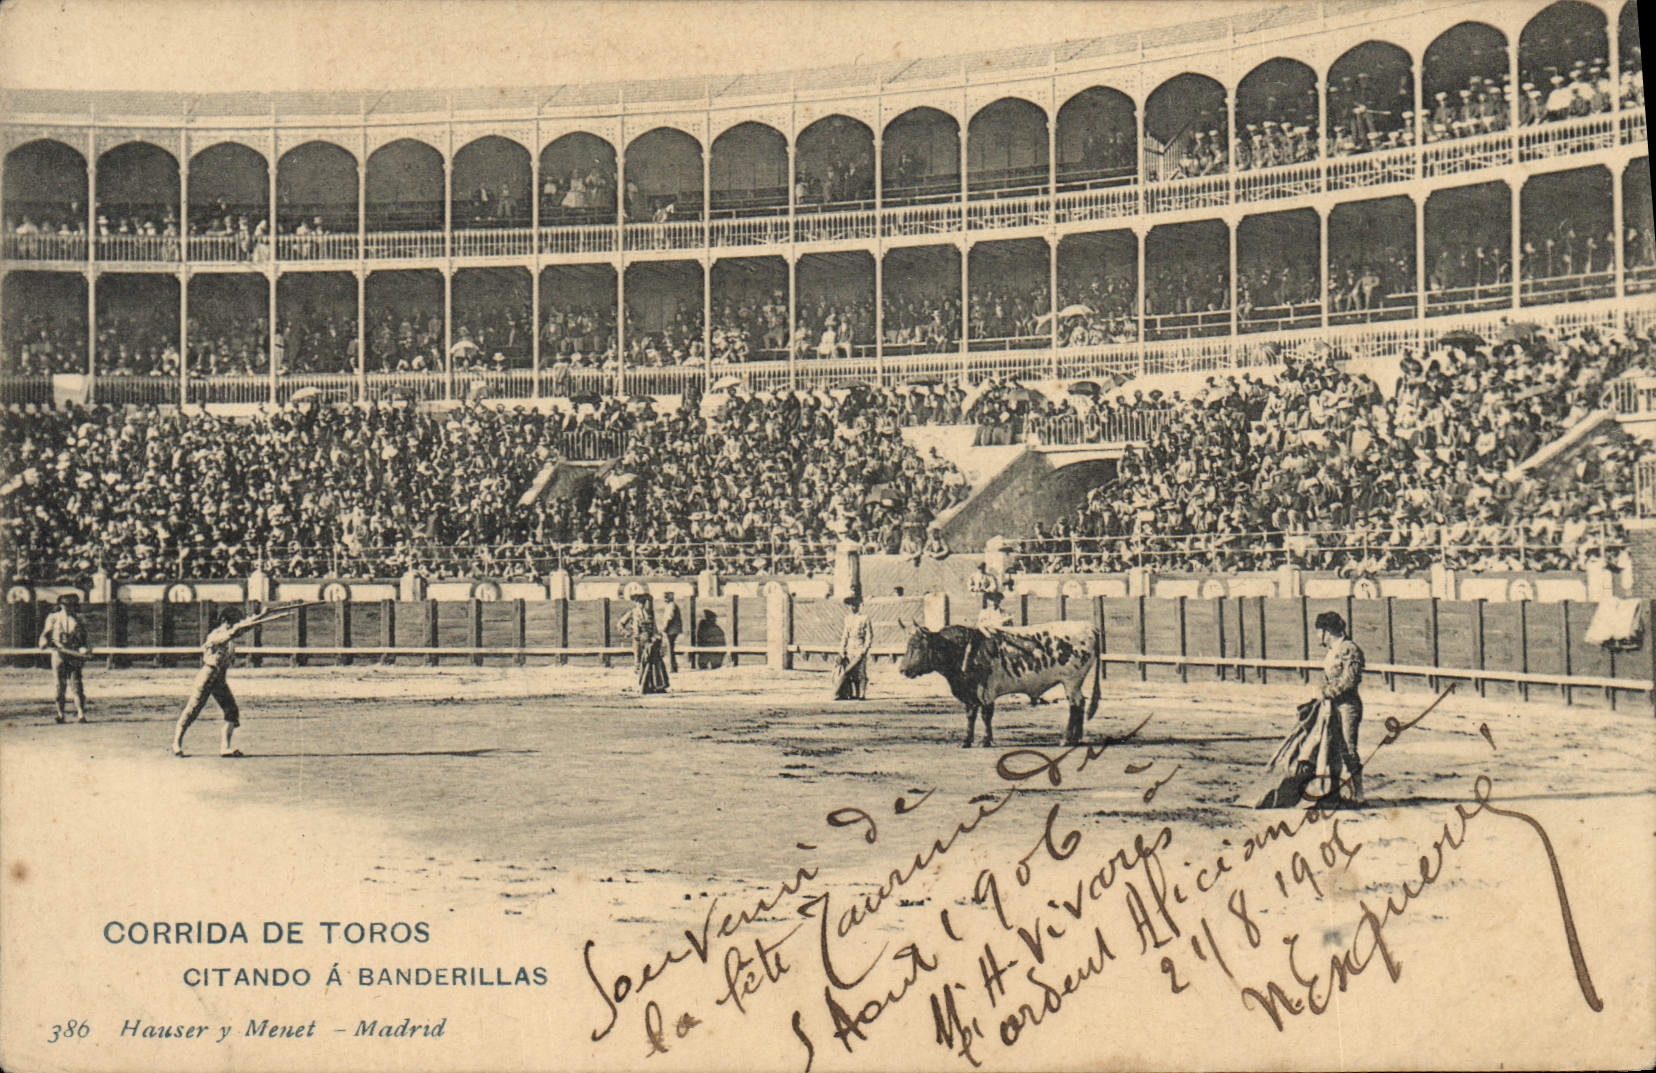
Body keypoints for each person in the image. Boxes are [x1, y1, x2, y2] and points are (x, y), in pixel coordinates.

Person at [172, 604, 274, 757]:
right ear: (225, 621)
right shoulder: (215, 635)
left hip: (219, 679)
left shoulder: (230, 632)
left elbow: (243, 627)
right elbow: (232, 633)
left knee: (231, 711)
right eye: (233, 622)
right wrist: (247, 623)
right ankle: (176, 744)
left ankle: (225, 748)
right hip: (207, 678)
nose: (234, 625)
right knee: (192, 710)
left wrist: (262, 615)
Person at [37, 594, 90, 723]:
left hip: (74, 654)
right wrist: (43, 642)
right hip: (59, 654)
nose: (67, 607)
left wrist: (85, 649)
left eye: (70, 604)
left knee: (76, 685)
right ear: (60, 605)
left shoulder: (79, 619)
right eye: (65, 604)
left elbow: (84, 639)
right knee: (59, 686)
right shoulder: (53, 617)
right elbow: (45, 634)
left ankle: (81, 714)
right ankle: (60, 714)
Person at [618, 584, 669, 695]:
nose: (640, 603)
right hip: (638, 640)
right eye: (638, 601)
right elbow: (620, 625)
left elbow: (654, 627)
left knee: (652, 663)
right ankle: (640, 686)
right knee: (638, 662)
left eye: (642, 601)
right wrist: (628, 634)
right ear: (635, 602)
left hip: (649, 641)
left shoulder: (649, 613)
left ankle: (652, 686)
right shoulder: (632, 613)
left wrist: (657, 636)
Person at [835, 594, 872, 700]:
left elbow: (869, 635)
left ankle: (862, 694)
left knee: (861, 671)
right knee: (851, 672)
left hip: (860, 645)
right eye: (851, 605)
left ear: (859, 606)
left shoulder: (864, 618)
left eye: (855, 605)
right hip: (850, 646)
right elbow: (845, 635)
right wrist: (842, 649)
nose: (853, 607)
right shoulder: (847, 618)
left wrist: (865, 648)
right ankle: (854, 693)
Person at [661, 591, 683, 674]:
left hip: (671, 630)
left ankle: (672, 667)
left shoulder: (671, 605)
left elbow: (669, 618)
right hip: (672, 630)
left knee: (670, 648)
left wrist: (664, 628)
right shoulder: (670, 605)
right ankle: (673, 666)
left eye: (667, 596)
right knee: (670, 648)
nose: (665, 598)